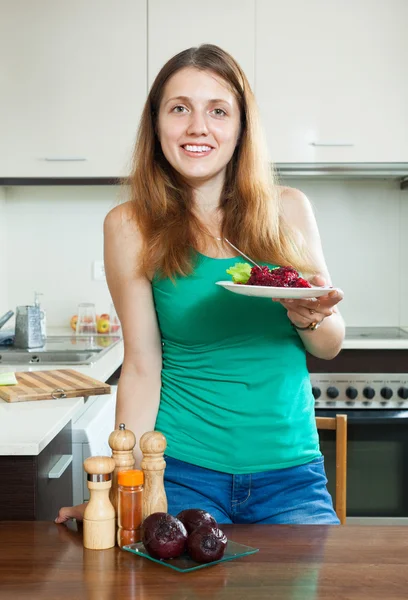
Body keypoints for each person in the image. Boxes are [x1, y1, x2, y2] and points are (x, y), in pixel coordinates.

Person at [56, 44, 344, 526]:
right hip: (181, 474)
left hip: (292, 477)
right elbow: (143, 368)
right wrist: (119, 491)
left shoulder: (288, 210)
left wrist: (310, 317)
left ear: (240, 129)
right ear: (156, 124)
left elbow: (330, 345)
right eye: (179, 108)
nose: (198, 127)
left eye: (218, 111)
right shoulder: (129, 227)